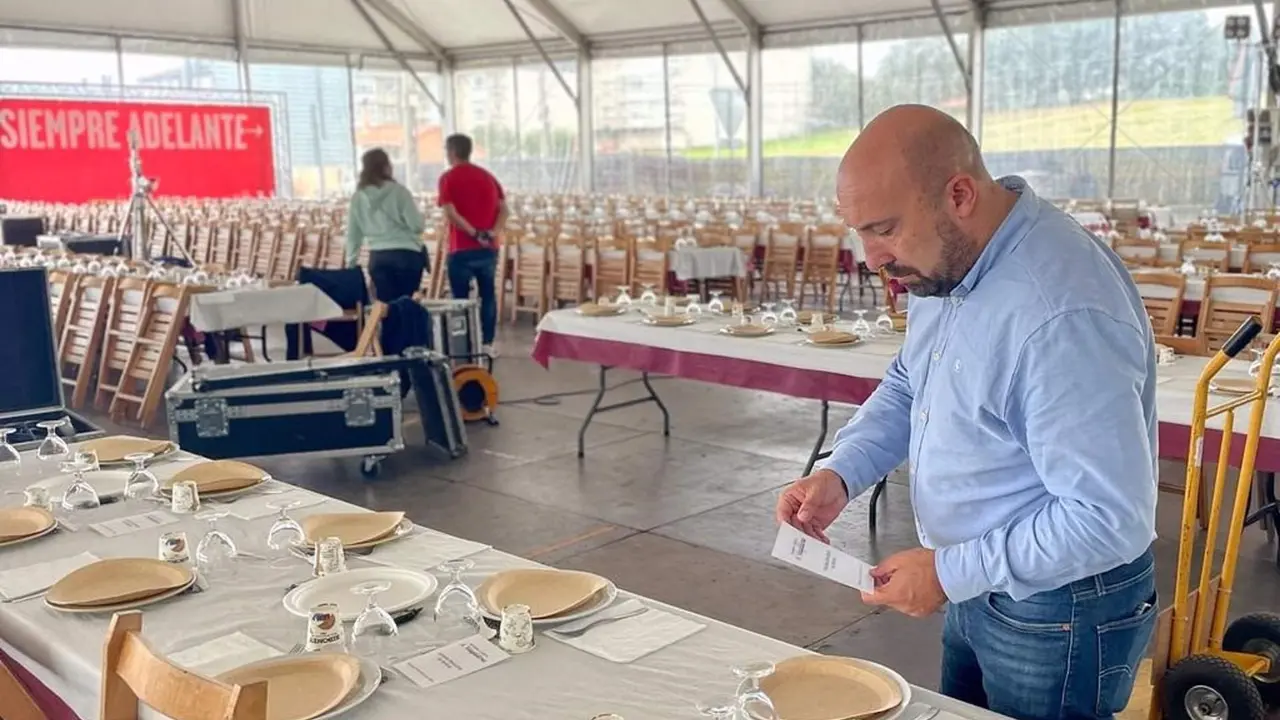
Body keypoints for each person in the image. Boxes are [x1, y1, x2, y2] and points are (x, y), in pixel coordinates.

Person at [775, 105, 1159, 720]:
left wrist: (951, 572)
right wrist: (842, 470)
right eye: (860, 233)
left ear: (958, 195)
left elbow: (1108, 518)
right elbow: (910, 382)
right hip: (976, 576)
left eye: (884, 229)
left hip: (1058, 603)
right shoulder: (946, 265)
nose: (872, 259)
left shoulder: (1060, 311)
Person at [438, 133, 508, 355]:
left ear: (452, 152)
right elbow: (505, 209)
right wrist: (491, 233)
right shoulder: (488, 177)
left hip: (461, 248)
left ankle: (463, 343)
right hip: (488, 248)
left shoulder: (448, 178)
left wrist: (472, 232)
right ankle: (487, 343)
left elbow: (450, 212)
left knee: (460, 299)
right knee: (487, 294)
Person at [345, 148, 428, 302]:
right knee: (406, 303)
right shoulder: (400, 192)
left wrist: (350, 263)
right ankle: (407, 326)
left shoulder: (358, 197)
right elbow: (417, 226)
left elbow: (353, 235)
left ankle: (390, 327)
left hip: (378, 257)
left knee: (386, 306)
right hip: (407, 255)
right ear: (386, 166)